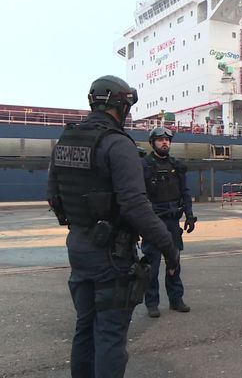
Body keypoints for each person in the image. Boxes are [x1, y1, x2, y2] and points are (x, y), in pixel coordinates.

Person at [47, 75, 180, 378]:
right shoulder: (117, 145)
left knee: (85, 327)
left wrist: (83, 223)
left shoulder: (65, 140)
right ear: (121, 106)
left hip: (78, 247)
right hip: (111, 254)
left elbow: (54, 198)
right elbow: (136, 207)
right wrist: (169, 249)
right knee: (109, 334)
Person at [141, 127, 197, 318]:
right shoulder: (144, 165)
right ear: (152, 143)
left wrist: (189, 215)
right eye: (160, 140)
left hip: (173, 221)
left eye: (167, 140)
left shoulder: (177, 165)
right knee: (152, 265)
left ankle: (176, 299)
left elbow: (185, 192)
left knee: (174, 263)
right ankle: (152, 303)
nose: (165, 142)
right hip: (153, 222)